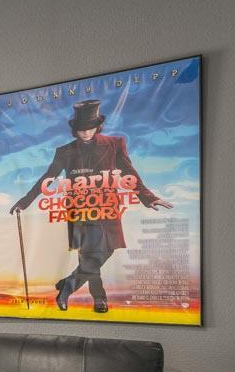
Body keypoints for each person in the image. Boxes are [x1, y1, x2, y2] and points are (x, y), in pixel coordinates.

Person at [9, 99, 172, 313]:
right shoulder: (64, 151)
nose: (85, 133)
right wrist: (25, 201)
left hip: (107, 210)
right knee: (88, 256)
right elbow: (48, 178)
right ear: (74, 129)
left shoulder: (115, 144)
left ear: (98, 126)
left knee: (106, 251)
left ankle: (68, 284)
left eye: (90, 128)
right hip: (80, 211)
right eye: (81, 129)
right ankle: (99, 299)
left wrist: (148, 197)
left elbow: (129, 172)